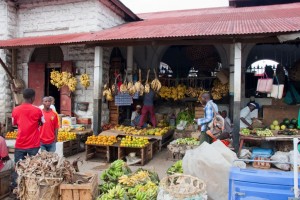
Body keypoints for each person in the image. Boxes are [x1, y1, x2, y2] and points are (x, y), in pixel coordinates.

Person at [12, 88, 44, 163]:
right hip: (34, 144)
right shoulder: (38, 110)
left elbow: (14, 124)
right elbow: (42, 122)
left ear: (23, 97)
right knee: (34, 168)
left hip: (20, 143)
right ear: (33, 97)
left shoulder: (15, 110)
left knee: (19, 167)